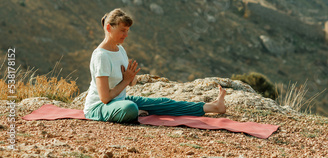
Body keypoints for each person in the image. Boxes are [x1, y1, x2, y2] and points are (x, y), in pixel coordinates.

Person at [83, 8, 226, 123]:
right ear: (109, 27)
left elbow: (130, 82)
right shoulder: (101, 56)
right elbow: (105, 98)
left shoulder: (120, 49)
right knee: (131, 108)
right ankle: (136, 113)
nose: (126, 35)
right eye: (122, 30)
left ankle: (213, 106)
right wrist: (126, 80)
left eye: (127, 30)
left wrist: (131, 78)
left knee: (163, 103)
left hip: (120, 101)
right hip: (99, 107)